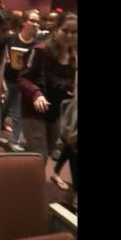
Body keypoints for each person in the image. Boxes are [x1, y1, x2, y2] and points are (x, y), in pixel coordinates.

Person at [17, 12, 77, 161]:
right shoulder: (40, 50)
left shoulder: (73, 56)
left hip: (56, 114)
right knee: (39, 156)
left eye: (74, 32)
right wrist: (36, 94)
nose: (69, 35)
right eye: (65, 30)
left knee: (48, 152)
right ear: (56, 29)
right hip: (34, 111)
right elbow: (23, 78)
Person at [1, 9, 40, 144]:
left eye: (37, 21)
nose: (36, 24)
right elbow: (2, 60)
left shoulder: (36, 45)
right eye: (32, 21)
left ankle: (17, 142)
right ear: (24, 22)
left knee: (17, 112)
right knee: (2, 109)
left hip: (21, 82)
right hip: (6, 79)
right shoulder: (11, 39)